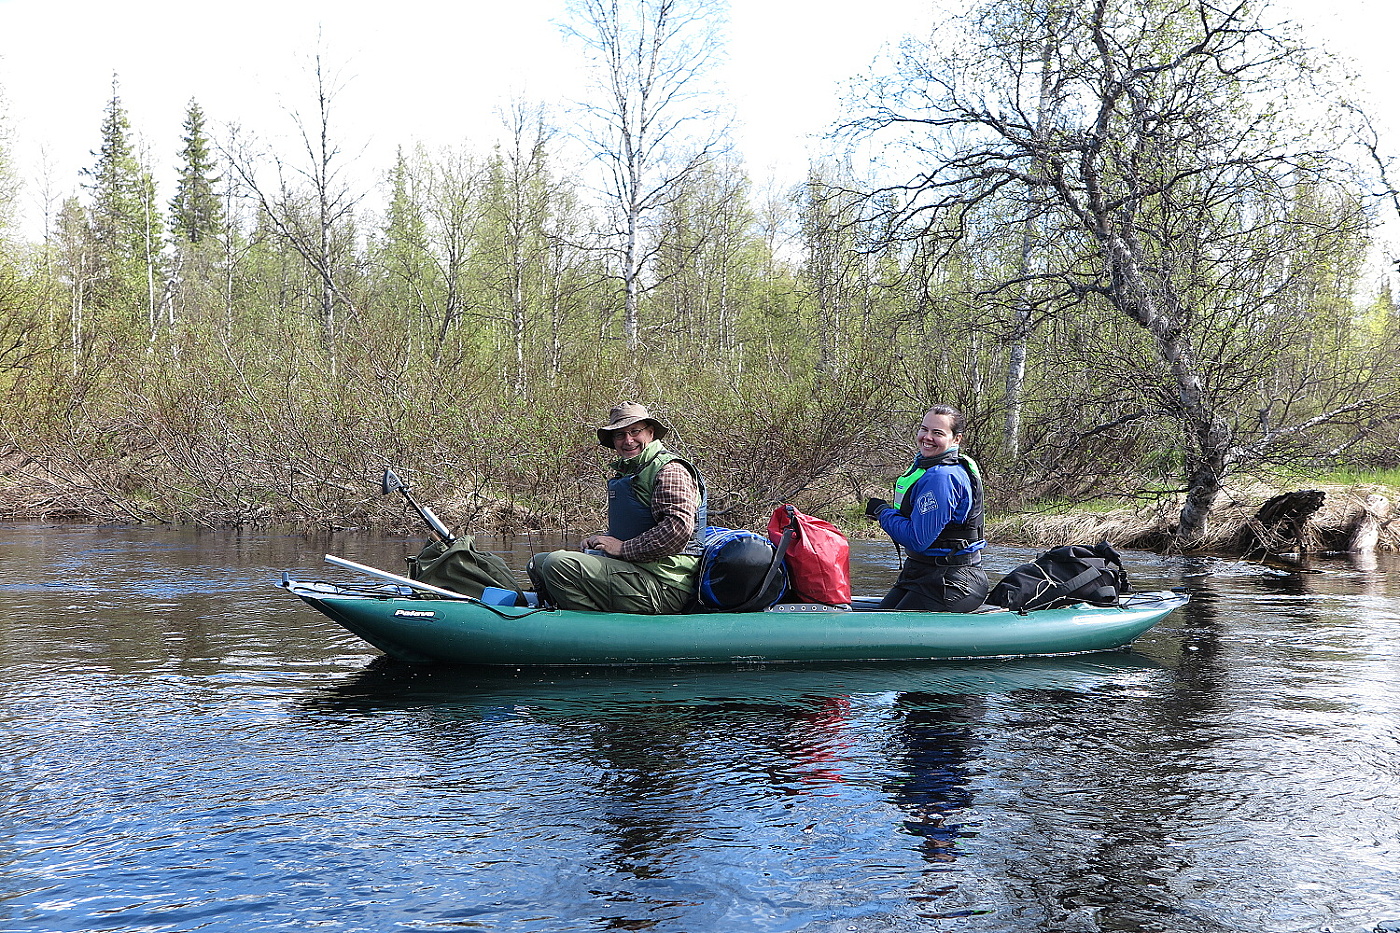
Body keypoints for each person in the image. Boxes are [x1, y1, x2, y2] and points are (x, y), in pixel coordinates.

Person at [527, 402, 707, 614]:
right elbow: (636, 526)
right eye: (620, 435)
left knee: (557, 564)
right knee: (538, 564)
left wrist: (621, 548)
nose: (628, 440)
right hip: (636, 571)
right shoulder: (631, 472)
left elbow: (678, 531)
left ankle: (594, 631)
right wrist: (602, 541)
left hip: (665, 585)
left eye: (634, 431)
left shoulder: (670, 471)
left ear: (650, 433)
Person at [864, 405, 988, 612]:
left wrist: (882, 512)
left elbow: (918, 540)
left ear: (956, 439)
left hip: (952, 581)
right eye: (924, 429)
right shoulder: (929, 469)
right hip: (923, 573)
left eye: (937, 433)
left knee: (883, 634)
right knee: (873, 622)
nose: (927, 437)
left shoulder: (942, 478)